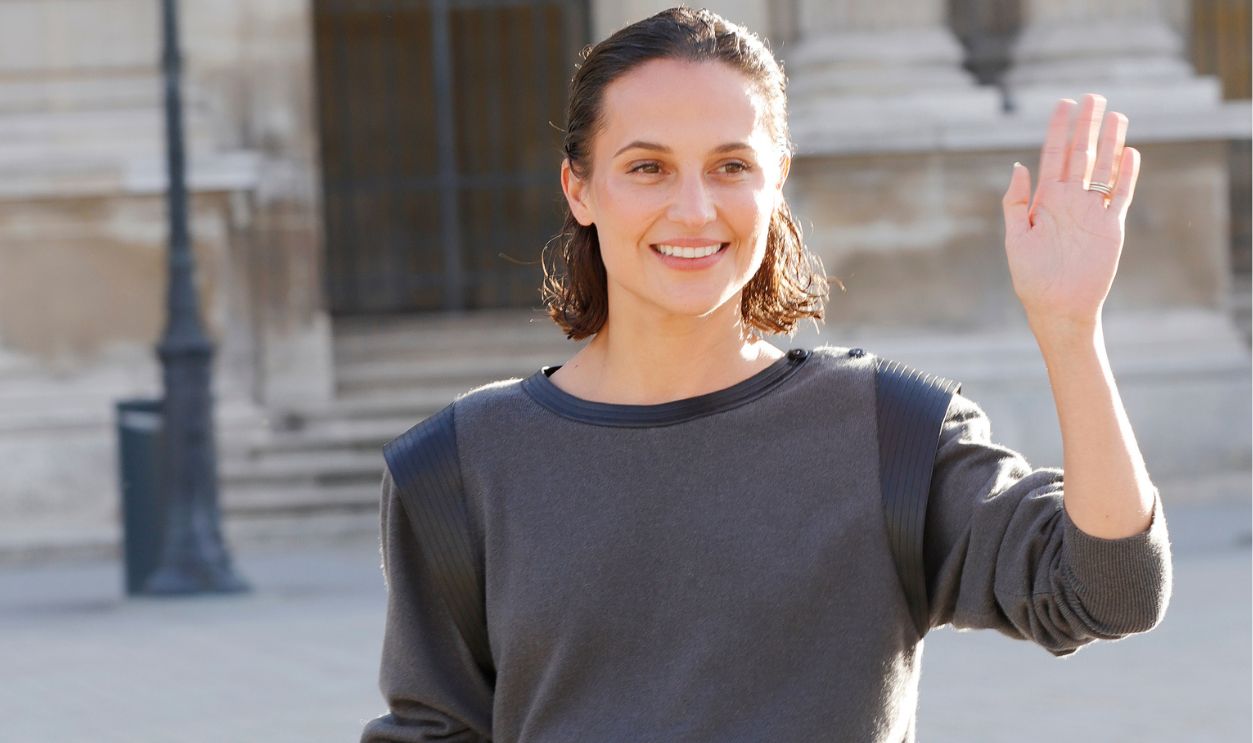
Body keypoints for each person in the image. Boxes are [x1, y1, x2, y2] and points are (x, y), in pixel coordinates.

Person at [360, 7, 1172, 742]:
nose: (692, 209)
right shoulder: (457, 465)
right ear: (579, 188)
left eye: (729, 166)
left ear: (776, 179)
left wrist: (1069, 331)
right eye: (646, 167)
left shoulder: (889, 431)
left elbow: (1112, 588)